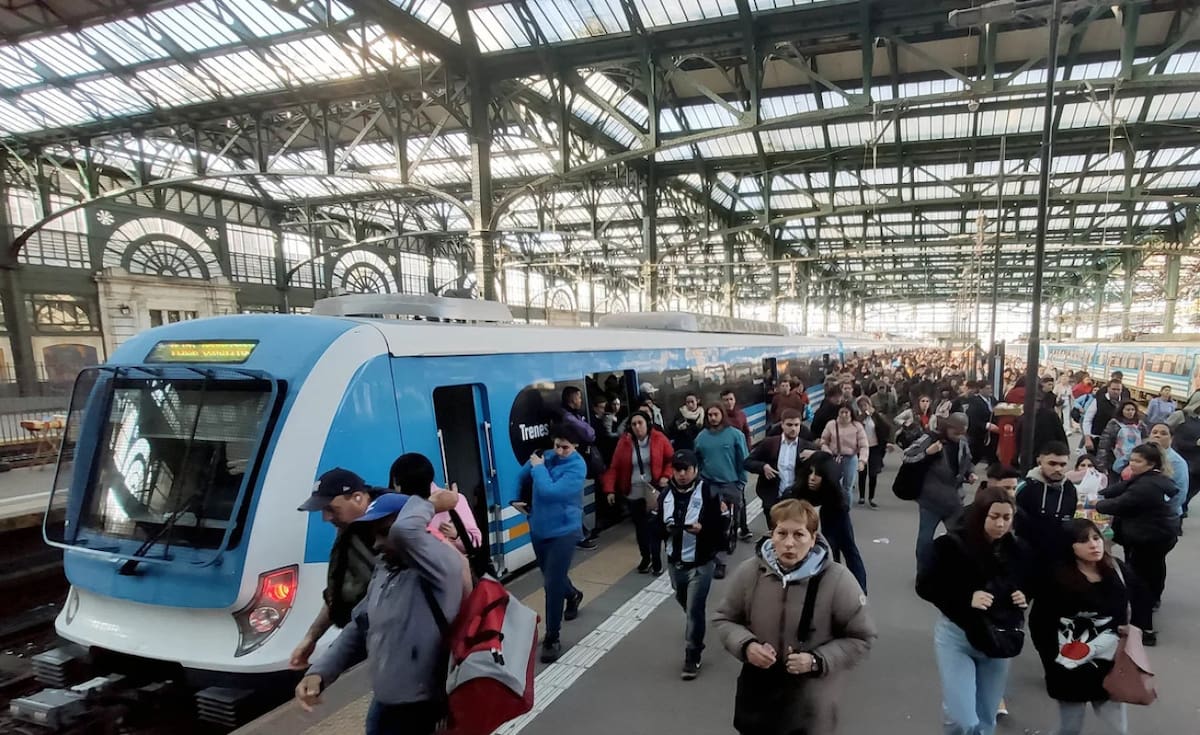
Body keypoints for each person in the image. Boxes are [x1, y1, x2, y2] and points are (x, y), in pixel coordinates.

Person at [296, 490, 465, 735]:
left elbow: (404, 531)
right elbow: (359, 625)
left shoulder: (440, 565)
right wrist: (320, 672)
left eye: (384, 532)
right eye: (373, 534)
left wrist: (431, 504)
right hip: (385, 704)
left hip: (423, 709)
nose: (376, 544)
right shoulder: (386, 571)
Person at [713, 499, 876, 735]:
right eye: (782, 533)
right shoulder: (750, 572)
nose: (789, 543)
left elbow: (862, 637)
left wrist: (816, 661)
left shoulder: (838, 579)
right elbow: (725, 618)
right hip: (759, 695)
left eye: (799, 534)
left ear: (812, 539)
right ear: (772, 535)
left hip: (809, 701)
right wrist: (747, 646)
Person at [916, 487, 1032, 735]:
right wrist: (965, 597)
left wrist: (1023, 595)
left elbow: (1028, 582)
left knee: (986, 719)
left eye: (1006, 517)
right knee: (963, 719)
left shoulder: (1018, 550)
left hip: (999, 638)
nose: (1001, 524)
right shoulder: (950, 545)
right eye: (994, 517)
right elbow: (925, 586)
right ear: (981, 515)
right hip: (958, 635)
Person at [1029, 519, 1131, 735]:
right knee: (1070, 727)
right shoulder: (1055, 579)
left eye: (1096, 538)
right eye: (1083, 541)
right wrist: (1052, 660)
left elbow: (1141, 598)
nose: (1094, 545)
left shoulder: (1115, 570)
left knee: (1117, 728)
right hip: (1069, 666)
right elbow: (1040, 624)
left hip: (1109, 663)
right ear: (1069, 546)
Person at [291, 468, 387, 670]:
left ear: (358, 498)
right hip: (371, 639)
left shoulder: (392, 531)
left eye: (331, 509)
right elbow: (341, 592)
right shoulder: (349, 531)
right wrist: (312, 637)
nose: (326, 518)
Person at [1096, 443, 1180, 646]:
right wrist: (1103, 491)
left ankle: (1145, 629)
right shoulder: (1153, 478)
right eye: (1131, 459)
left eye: (1137, 461)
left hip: (1148, 538)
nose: (1132, 464)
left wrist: (1095, 503)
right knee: (1155, 570)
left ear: (1151, 464)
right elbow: (1121, 488)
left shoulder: (1146, 486)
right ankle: (1153, 601)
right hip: (1161, 535)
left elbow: (1121, 503)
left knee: (1139, 582)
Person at [518, 426, 588, 662]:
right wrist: (519, 499)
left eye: (565, 447)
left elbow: (550, 491)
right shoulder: (547, 456)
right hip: (539, 527)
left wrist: (537, 468)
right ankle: (573, 594)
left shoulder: (578, 467)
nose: (559, 451)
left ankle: (552, 637)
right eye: (556, 445)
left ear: (575, 446)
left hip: (564, 530)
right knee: (551, 575)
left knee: (551, 583)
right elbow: (521, 476)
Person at [657, 448, 726, 680]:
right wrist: (663, 528)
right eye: (678, 469)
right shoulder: (665, 495)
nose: (682, 474)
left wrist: (703, 530)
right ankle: (695, 628)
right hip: (675, 561)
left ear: (696, 470)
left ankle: (692, 654)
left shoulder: (709, 492)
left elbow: (720, 531)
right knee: (684, 601)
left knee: (695, 610)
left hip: (701, 562)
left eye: (686, 469)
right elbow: (655, 529)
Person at [903, 412, 976, 573]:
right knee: (925, 539)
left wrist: (969, 473)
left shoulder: (963, 442)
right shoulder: (931, 439)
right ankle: (923, 571)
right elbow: (907, 455)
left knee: (959, 538)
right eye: (956, 433)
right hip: (931, 500)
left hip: (955, 499)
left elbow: (968, 460)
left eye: (963, 433)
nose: (959, 436)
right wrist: (927, 453)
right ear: (947, 427)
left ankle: (954, 571)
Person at [601, 410, 673, 574]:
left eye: (640, 423)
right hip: (633, 491)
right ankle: (645, 557)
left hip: (653, 490)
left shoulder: (659, 438)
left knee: (655, 526)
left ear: (647, 424)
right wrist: (610, 490)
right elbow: (614, 467)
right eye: (634, 424)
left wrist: (665, 476)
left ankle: (656, 560)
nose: (637, 427)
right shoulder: (624, 442)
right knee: (640, 527)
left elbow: (671, 459)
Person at [786, 452, 868, 593]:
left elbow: (851, 553)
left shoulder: (836, 502)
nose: (812, 478)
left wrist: (860, 592)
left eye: (817, 474)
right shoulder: (795, 494)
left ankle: (853, 591)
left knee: (845, 551)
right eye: (810, 472)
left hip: (830, 535)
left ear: (827, 476)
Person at [693, 402, 750, 579]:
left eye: (716, 414)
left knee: (729, 521)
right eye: (710, 415)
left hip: (731, 483)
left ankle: (733, 536)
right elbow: (697, 459)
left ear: (722, 415)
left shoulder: (735, 435)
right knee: (716, 523)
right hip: (710, 484)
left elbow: (743, 459)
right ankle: (719, 561)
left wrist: (742, 481)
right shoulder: (701, 437)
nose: (712, 418)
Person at [388, 453, 482, 553]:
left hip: (452, 566)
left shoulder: (454, 500)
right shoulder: (396, 507)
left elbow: (476, 541)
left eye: (397, 482)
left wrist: (457, 535)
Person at [744, 409, 815, 524]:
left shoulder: (807, 447)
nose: (793, 428)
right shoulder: (769, 443)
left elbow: (826, 465)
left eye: (796, 425)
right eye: (789, 425)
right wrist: (763, 467)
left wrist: (816, 455)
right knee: (775, 534)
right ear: (782, 425)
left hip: (796, 500)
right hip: (772, 499)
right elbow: (748, 462)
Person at [1013, 442, 1077, 566]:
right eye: (1052, 463)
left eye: (1062, 464)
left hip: (1058, 556)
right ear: (1040, 461)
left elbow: (1070, 519)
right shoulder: (1025, 487)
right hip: (1027, 554)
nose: (1057, 469)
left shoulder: (1070, 489)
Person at [820, 405, 869, 507]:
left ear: (851, 413)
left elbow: (864, 445)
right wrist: (827, 451)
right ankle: (833, 508)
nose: (843, 415)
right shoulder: (831, 425)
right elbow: (823, 441)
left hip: (850, 458)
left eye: (846, 412)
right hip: (833, 457)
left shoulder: (856, 426)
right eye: (841, 412)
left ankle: (846, 510)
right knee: (832, 484)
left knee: (847, 487)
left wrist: (862, 461)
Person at [1147, 422, 1188, 531]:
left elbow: (1180, 492)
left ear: (1171, 438)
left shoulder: (1176, 461)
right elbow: (1117, 467)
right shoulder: (1141, 455)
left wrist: (1164, 512)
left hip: (1164, 515)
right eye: (1154, 432)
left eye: (1163, 433)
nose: (1157, 435)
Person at [1167, 390, 1200, 520]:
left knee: (1194, 487)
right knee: (1181, 486)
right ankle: (1178, 512)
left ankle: (1183, 504)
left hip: (1198, 459)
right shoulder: (1181, 415)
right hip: (1182, 457)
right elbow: (1165, 430)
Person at [855, 396, 892, 508]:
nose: (863, 408)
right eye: (861, 406)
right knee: (862, 472)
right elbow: (856, 424)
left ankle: (871, 497)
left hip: (875, 447)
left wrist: (874, 414)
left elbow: (886, 427)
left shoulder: (875, 417)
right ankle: (862, 496)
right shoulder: (858, 417)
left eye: (865, 405)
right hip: (862, 447)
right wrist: (864, 415)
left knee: (873, 473)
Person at [1097, 401, 1147, 484]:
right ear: (1122, 411)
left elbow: (1145, 440)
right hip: (1115, 459)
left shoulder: (1140, 425)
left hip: (1135, 460)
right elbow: (1104, 444)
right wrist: (1101, 464)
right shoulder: (1114, 424)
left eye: (1132, 410)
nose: (1130, 412)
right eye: (1128, 410)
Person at [1082, 379, 1126, 455]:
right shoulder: (1098, 401)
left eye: (1118, 389)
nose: (1116, 392)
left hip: (1116, 442)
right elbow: (1087, 420)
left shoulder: (1123, 403)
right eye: (1113, 389)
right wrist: (1087, 438)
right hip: (1097, 439)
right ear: (1108, 389)